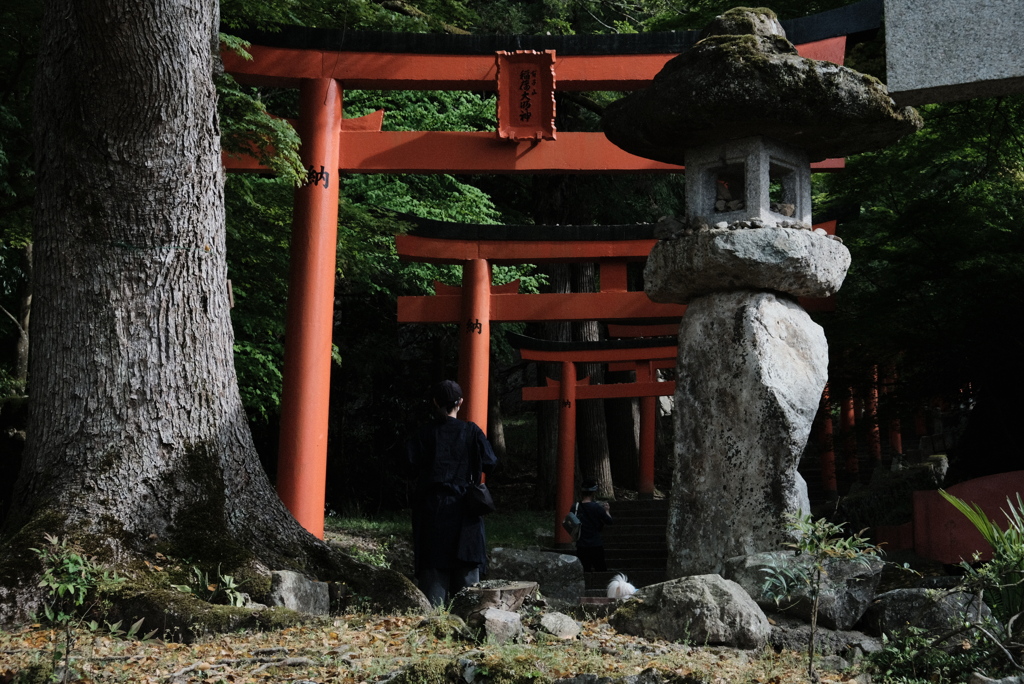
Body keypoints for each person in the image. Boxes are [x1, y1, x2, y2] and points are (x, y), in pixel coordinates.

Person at [406, 380, 497, 606]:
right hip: (466, 512)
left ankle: (433, 630)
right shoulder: (472, 432)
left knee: (433, 579)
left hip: (432, 511)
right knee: (468, 588)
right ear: (460, 403)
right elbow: (491, 463)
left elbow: (408, 467)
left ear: (435, 402)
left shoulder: (424, 434)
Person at [574, 480, 612, 572]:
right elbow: (609, 521)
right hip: (595, 543)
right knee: (600, 569)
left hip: (581, 543)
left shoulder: (576, 507)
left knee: (584, 570)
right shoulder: (597, 507)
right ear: (593, 492)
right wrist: (607, 511)